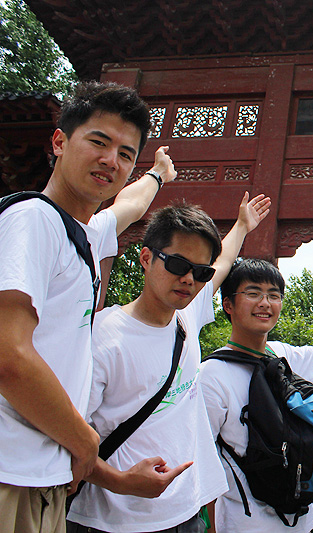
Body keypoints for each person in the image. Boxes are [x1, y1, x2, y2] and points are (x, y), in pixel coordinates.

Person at [0, 81, 177, 533]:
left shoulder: (83, 234)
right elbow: (8, 355)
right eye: (99, 142)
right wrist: (86, 442)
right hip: (9, 474)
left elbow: (130, 207)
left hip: (41, 479)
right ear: (59, 142)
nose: (110, 160)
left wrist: (157, 174)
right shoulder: (33, 220)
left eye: (125, 154)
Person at [66, 193, 270, 533]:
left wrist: (242, 226)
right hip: (110, 520)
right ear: (146, 258)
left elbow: (221, 264)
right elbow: (68, 439)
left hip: (185, 514)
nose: (189, 279)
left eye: (199, 271)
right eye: (177, 265)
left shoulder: (185, 317)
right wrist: (121, 482)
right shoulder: (102, 338)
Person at [199, 254, 313, 532]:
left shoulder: (282, 355)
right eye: (253, 293)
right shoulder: (212, 375)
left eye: (273, 295)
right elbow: (203, 463)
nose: (265, 303)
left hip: (301, 520)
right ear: (228, 304)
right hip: (244, 524)